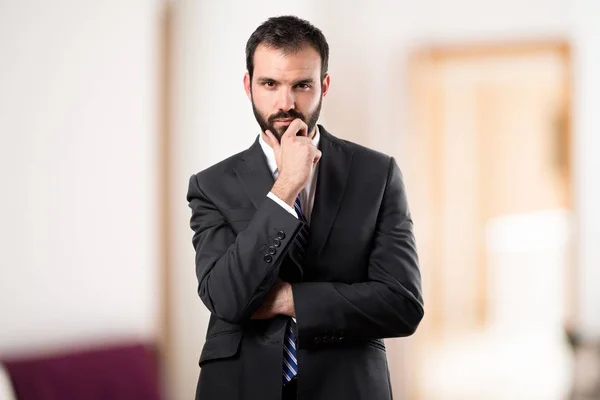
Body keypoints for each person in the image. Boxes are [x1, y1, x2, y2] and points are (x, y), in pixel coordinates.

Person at [186, 15, 424, 400]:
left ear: (324, 86)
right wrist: (286, 188)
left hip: (348, 385)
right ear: (248, 86)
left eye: (302, 85)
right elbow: (226, 299)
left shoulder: (377, 174)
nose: (286, 103)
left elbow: (402, 304)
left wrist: (287, 299)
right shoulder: (211, 186)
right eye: (270, 84)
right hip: (239, 385)